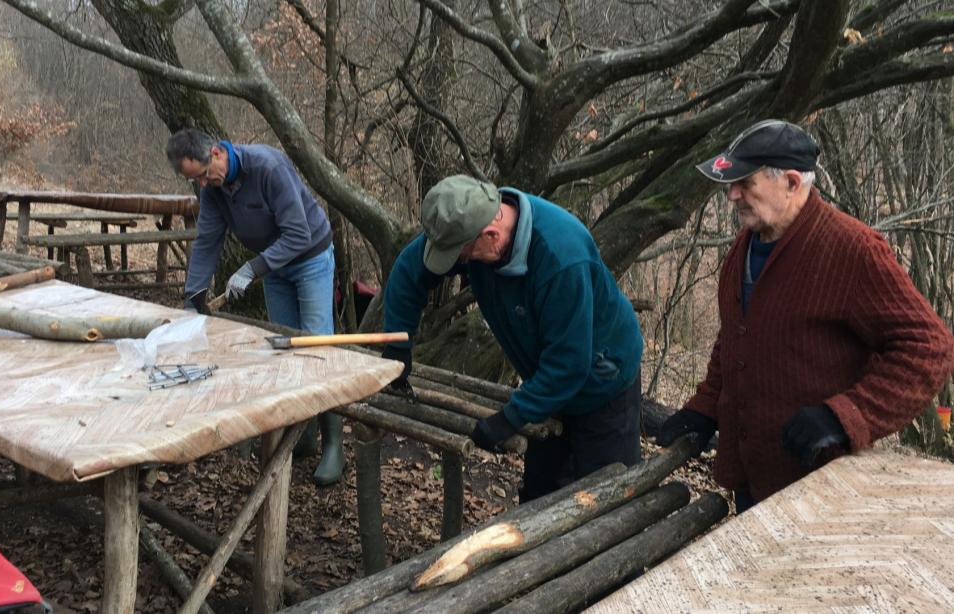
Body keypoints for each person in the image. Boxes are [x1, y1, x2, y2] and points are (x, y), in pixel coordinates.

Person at [657, 119, 954, 512]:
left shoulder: (853, 250)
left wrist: (843, 417)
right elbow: (738, 335)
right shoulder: (745, 246)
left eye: (746, 183)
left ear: (792, 183)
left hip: (823, 488)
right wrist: (705, 407)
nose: (732, 195)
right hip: (753, 479)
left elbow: (930, 348)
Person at [381, 175, 645, 503]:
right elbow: (410, 270)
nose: (460, 263)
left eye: (462, 256)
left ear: (490, 236)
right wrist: (398, 344)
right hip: (546, 378)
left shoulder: (561, 259)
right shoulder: (466, 225)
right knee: (541, 493)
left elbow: (568, 363)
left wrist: (510, 418)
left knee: (607, 497)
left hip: (604, 380)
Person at [167, 127, 344, 486]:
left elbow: (298, 234)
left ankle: (334, 445)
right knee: (285, 347)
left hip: (309, 258)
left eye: (202, 174)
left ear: (216, 153)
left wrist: (251, 269)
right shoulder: (215, 190)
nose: (202, 184)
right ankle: (302, 435)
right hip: (274, 267)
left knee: (317, 345)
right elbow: (206, 242)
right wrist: (192, 299)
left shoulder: (267, 167)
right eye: (194, 180)